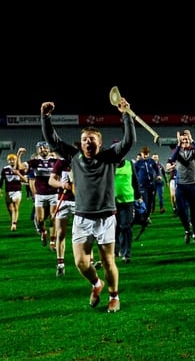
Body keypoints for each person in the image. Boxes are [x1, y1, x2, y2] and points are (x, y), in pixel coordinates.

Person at [41, 96, 135, 313]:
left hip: (105, 218)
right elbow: (53, 141)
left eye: (92, 139)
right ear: (80, 142)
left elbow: (128, 142)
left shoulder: (110, 157)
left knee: (108, 260)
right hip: (82, 217)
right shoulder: (73, 157)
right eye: (84, 139)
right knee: (82, 263)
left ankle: (114, 296)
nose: (87, 142)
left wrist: (126, 115)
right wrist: (45, 117)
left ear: (99, 142)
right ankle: (96, 284)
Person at [167, 130, 195, 244]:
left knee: (194, 211)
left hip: (193, 185)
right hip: (181, 186)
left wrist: (192, 139)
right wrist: (178, 144)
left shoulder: (194, 151)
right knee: (181, 210)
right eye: (183, 139)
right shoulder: (177, 152)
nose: (185, 141)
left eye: (186, 139)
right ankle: (187, 230)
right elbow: (172, 159)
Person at [27, 141, 60, 250]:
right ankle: (43, 232)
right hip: (40, 194)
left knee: (53, 217)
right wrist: (19, 155)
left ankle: (52, 241)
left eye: (45, 148)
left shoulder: (55, 161)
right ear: (37, 151)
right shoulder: (34, 162)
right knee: (40, 220)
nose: (43, 150)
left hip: (53, 193)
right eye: (40, 148)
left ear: (49, 149)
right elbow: (21, 167)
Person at [48, 153, 77, 277]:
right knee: (61, 233)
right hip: (63, 200)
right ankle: (60, 263)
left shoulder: (84, 161)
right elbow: (51, 180)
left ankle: (90, 262)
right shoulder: (61, 162)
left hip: (79, 201)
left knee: (84, 233)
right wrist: (62, 184)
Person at [114, 156, 141, 264]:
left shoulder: (130, 164)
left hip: (127, 200)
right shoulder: (109, 165)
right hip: (112, 201)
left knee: (126, 226)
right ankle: (115, 251)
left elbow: (135, 180)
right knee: (114, 228)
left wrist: (138, 196)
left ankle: (126, 253)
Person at [1, 150, 27, 232]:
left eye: (13, 159)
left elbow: (25, 180)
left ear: (16, 160)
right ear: (8, 161)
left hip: (17, 191)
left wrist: (18, 173)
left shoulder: (20, 169)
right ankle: (13, 219)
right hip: (8, 191)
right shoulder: (5, 169)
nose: (11, 161)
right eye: (10, 160)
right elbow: (1, 180)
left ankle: (14, 223)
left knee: (15, 208)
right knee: (9, 209)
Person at [134, 147, 160, 222]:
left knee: (150, 201)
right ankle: (143, 217)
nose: (145, 156)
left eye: (147, 154)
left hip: (151, 185)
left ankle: (148, 216)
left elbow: (157, 169)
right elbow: (134, 174)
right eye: (144, 154)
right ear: (141, 154)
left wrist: (158, 175)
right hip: (142, 186)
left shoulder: (151, 161)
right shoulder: (138, 163)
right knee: (144, 201)